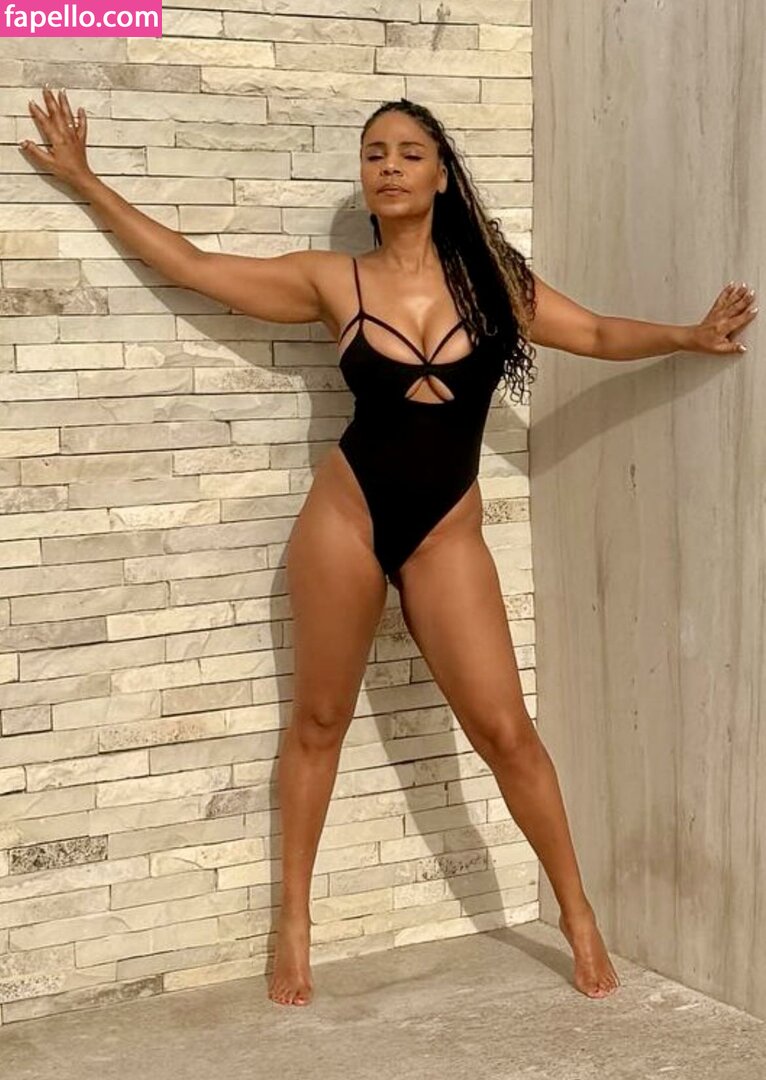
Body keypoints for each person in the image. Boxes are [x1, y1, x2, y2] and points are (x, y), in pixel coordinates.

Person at [19, 87, 757, 1009]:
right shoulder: (333, 281)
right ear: (364, 180)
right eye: (375, 154)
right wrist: (87, 180)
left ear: (442, 176)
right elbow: (197, 268)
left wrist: (689, 334)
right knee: (318, 722)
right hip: (348, 516)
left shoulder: (497, 284)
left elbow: (598, 332)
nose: (391, 166)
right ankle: (295, 924)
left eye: (410, 152)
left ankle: (579, 916)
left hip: (446, 527)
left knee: (506, 733)